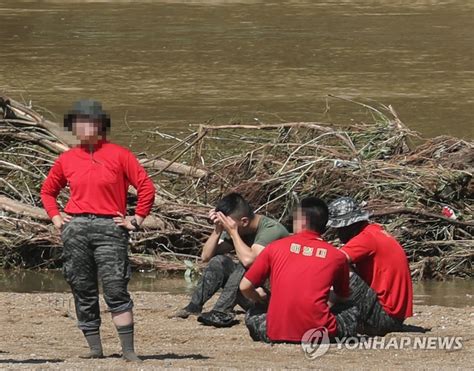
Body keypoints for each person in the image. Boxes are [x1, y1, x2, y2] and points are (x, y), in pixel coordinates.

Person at [40, 99, 155, 361]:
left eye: (88, 122)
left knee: (116, 287)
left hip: (110, 228)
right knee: (82, 287)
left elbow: (146, 188)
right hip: (76, 228)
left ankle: (128, 351)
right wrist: (56, 218)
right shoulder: (66, 158)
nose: (82, 127)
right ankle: (95, 349)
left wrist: (135, 220)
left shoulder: (120, 155)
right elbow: (48, 191)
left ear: (100, 125)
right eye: (77, 123)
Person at [240, 197, 359, 343]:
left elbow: (245, 286)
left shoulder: (275, 247)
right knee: (351, 308)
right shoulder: (337, 256)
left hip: (276, 333)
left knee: (253, 313)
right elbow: (342, 296)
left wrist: (263, 300)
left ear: (302, 220)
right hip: (320, 334)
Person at [173, 192, 289, 327]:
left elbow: (249, 261)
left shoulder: (271, 230)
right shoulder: (240, 228)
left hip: (273, 297)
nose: (227, 228)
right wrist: (217, 229)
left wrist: (233, 232)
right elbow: (206, 256)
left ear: (244, 221)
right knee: (219, 261)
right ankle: (194, 306)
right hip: (253, 293)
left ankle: (221, 312)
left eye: (227, 224)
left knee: (244, 266)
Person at [327, 197, 413, 336]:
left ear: (349, 225)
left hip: (386, 318)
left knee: (340, 268)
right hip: (394, 316)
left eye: (339, 229)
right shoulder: (374, 232)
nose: (338, 233)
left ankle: (321, 311)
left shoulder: (366, 239)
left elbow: (330, 262)